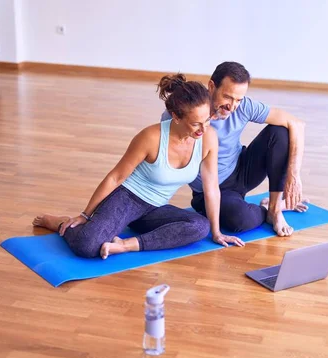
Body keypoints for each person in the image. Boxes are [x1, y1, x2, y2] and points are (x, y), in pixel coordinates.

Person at [33, 74, 244, 260]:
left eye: (207, 120)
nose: (203, 128)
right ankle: (63, 224)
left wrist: (216, 233)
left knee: (199, 227)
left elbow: (211, 187)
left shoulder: (209, 138)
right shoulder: (151, 137)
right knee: (87, 246)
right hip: (127, 198)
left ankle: (126, 245)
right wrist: (85, 215)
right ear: (176, 117)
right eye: (196, 123)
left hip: (155, 208)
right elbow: (115, 177)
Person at [161, 61, 308, 237]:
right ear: (211, 86)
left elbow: (297, 124)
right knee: (240, 220)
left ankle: (275, 210)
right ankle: (265, 208)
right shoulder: (183, 114)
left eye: (238, 99)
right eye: (228, 97)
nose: (232, 106)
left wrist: (293, 175)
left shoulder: (243, 105)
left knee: (280, 132)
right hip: (211, 189)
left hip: (242, 170)